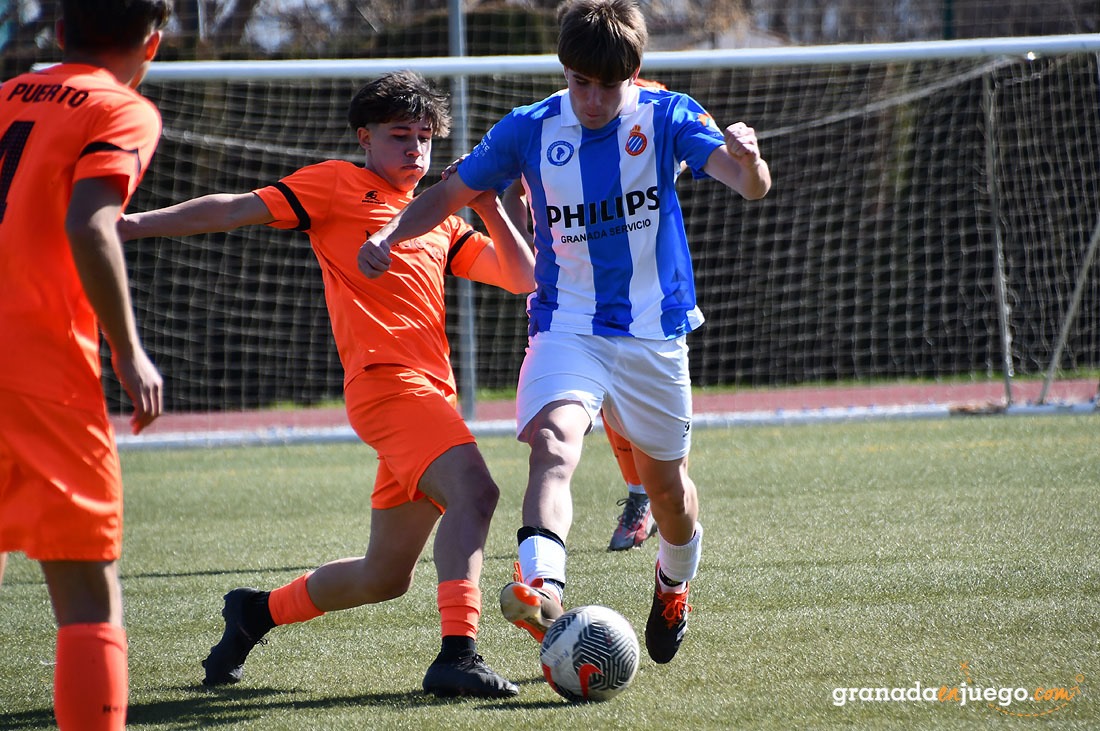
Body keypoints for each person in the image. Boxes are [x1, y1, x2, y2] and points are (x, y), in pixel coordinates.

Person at [357, 0, 771, 665]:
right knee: (552, 443)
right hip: (565, 323)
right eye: (581, 83)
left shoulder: (668, 116)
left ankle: (673, 584)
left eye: (609, 85)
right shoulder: (529, 127)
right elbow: (447, 194)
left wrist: (748, 161)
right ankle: (544, 591)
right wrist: (388, 233)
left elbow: (749, 187)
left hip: (653, 332)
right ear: (565, 72)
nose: (594, 100)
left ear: (634, 73)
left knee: (669, 494)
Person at [120, 70, 535, 698]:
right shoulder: (335, 183)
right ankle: (458, 654)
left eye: (425, 137)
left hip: (429, 396)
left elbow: (522, 278)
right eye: (400, 136)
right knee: (475, 493)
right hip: (387, 386)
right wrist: (131, 225)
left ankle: (255, 612)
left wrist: (486, 205)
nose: (416, 149)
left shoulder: (439, 218)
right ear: (365, 138)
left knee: (383, 577)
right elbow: (234, 209)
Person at [0, 1, 171, 728]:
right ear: (152, 45)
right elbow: (90, 222)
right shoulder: (120, 108)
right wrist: (129, 351)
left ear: (62, 32)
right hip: (37, 363)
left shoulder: (6, 94)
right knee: (87, 598)